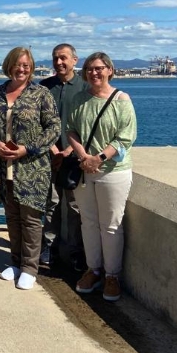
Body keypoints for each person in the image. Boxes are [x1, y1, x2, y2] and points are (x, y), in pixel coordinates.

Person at [0, 47, 60, 290]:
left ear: (32, 67)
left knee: (31, 220)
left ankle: (29, 268)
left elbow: (54, 128)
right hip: (5, 168)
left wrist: (28, 148)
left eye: (26, 65)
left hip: (32, 169)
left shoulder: (41, 94)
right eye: (18, 64)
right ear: (9, 66)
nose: (22, 69)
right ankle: (15, 263)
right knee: (12, 217)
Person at [67, 52, 137, 301]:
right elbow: (71, 130)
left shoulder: (121, 100)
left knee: (111, 225)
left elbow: (126, 137)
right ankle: (93, 269)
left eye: (98, 68)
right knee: (88, 222)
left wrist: (98, 158)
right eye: (89, 69)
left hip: (112, 172)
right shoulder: (78, 99)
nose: (94, 73)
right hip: (85, 170)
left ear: (109, 70)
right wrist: (84, 156)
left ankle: (112, 275)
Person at [39, 44, 87, 270]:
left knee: (75, 207)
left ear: (74, 60)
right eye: (55, 58)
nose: (59, 62)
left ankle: (77, 251)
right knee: (52, 204)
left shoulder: (85, 87)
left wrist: (69, 150)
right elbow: (38, 123)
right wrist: (53, 149)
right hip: (50, 156)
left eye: (64, 58)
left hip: (76, 157)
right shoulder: (44, 87)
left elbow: (88, 125)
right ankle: (50, 246)